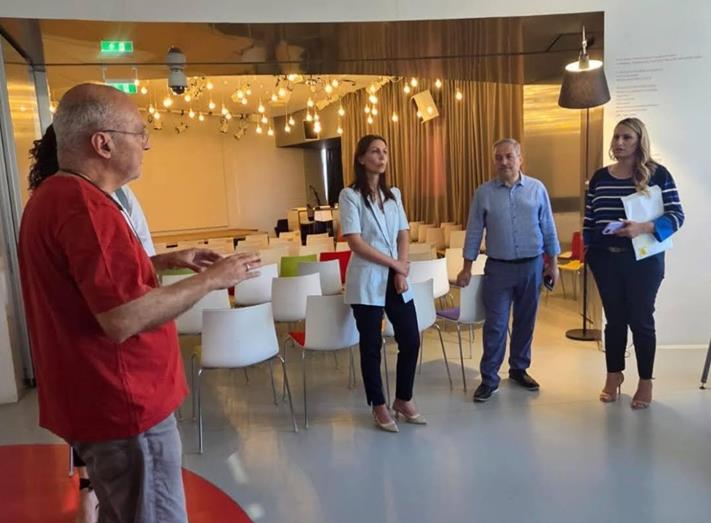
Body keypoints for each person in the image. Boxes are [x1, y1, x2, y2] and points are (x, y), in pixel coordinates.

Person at [18, 83, 261, 523]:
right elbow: (122, 317)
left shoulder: (55, 196)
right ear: (103, 144)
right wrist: (213, 279)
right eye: (139, 132)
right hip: (126, 407)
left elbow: (91, 284)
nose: (147, 143)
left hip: (99, 402)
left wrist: (164, 260)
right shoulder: (86, 208)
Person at [584, 117, 684, 409]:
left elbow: (677, 215)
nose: (619, 142)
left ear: (640, 141)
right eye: (616, 137)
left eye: (627, 137)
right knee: (614, 320)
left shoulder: (658, 174)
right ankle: (613, 375)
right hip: (605, 260)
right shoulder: (599, 177)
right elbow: (589, 220)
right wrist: (590, 252)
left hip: (644, 261)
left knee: (641, 320)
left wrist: (643, 228)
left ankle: (645, 381)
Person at [457, 138, 560, 402]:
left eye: (509, 156)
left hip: (532, 266)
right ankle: (489, 378)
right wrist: (466, 267)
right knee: (496, 325)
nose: (504, 162)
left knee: (525, 321)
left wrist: (553, 264)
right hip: (498, 269)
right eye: (498, 157)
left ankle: (519, 369)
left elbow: (548, 227)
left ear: (520, 159)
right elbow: (474, 231)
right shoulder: (484, 193)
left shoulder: (537, 189)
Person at [339, 134, 424, 433]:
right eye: (375, 151)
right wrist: (395, 264)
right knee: (371, 345)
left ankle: (403, 398)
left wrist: (401, 269)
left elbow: (403, 233)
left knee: (411, 339)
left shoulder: (394, 195)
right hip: (367, 279)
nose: (382, 156)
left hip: (394, 278)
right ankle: (378, 404)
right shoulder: (350, 195)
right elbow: (355, 242)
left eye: (385, 151)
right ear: (362, 158)